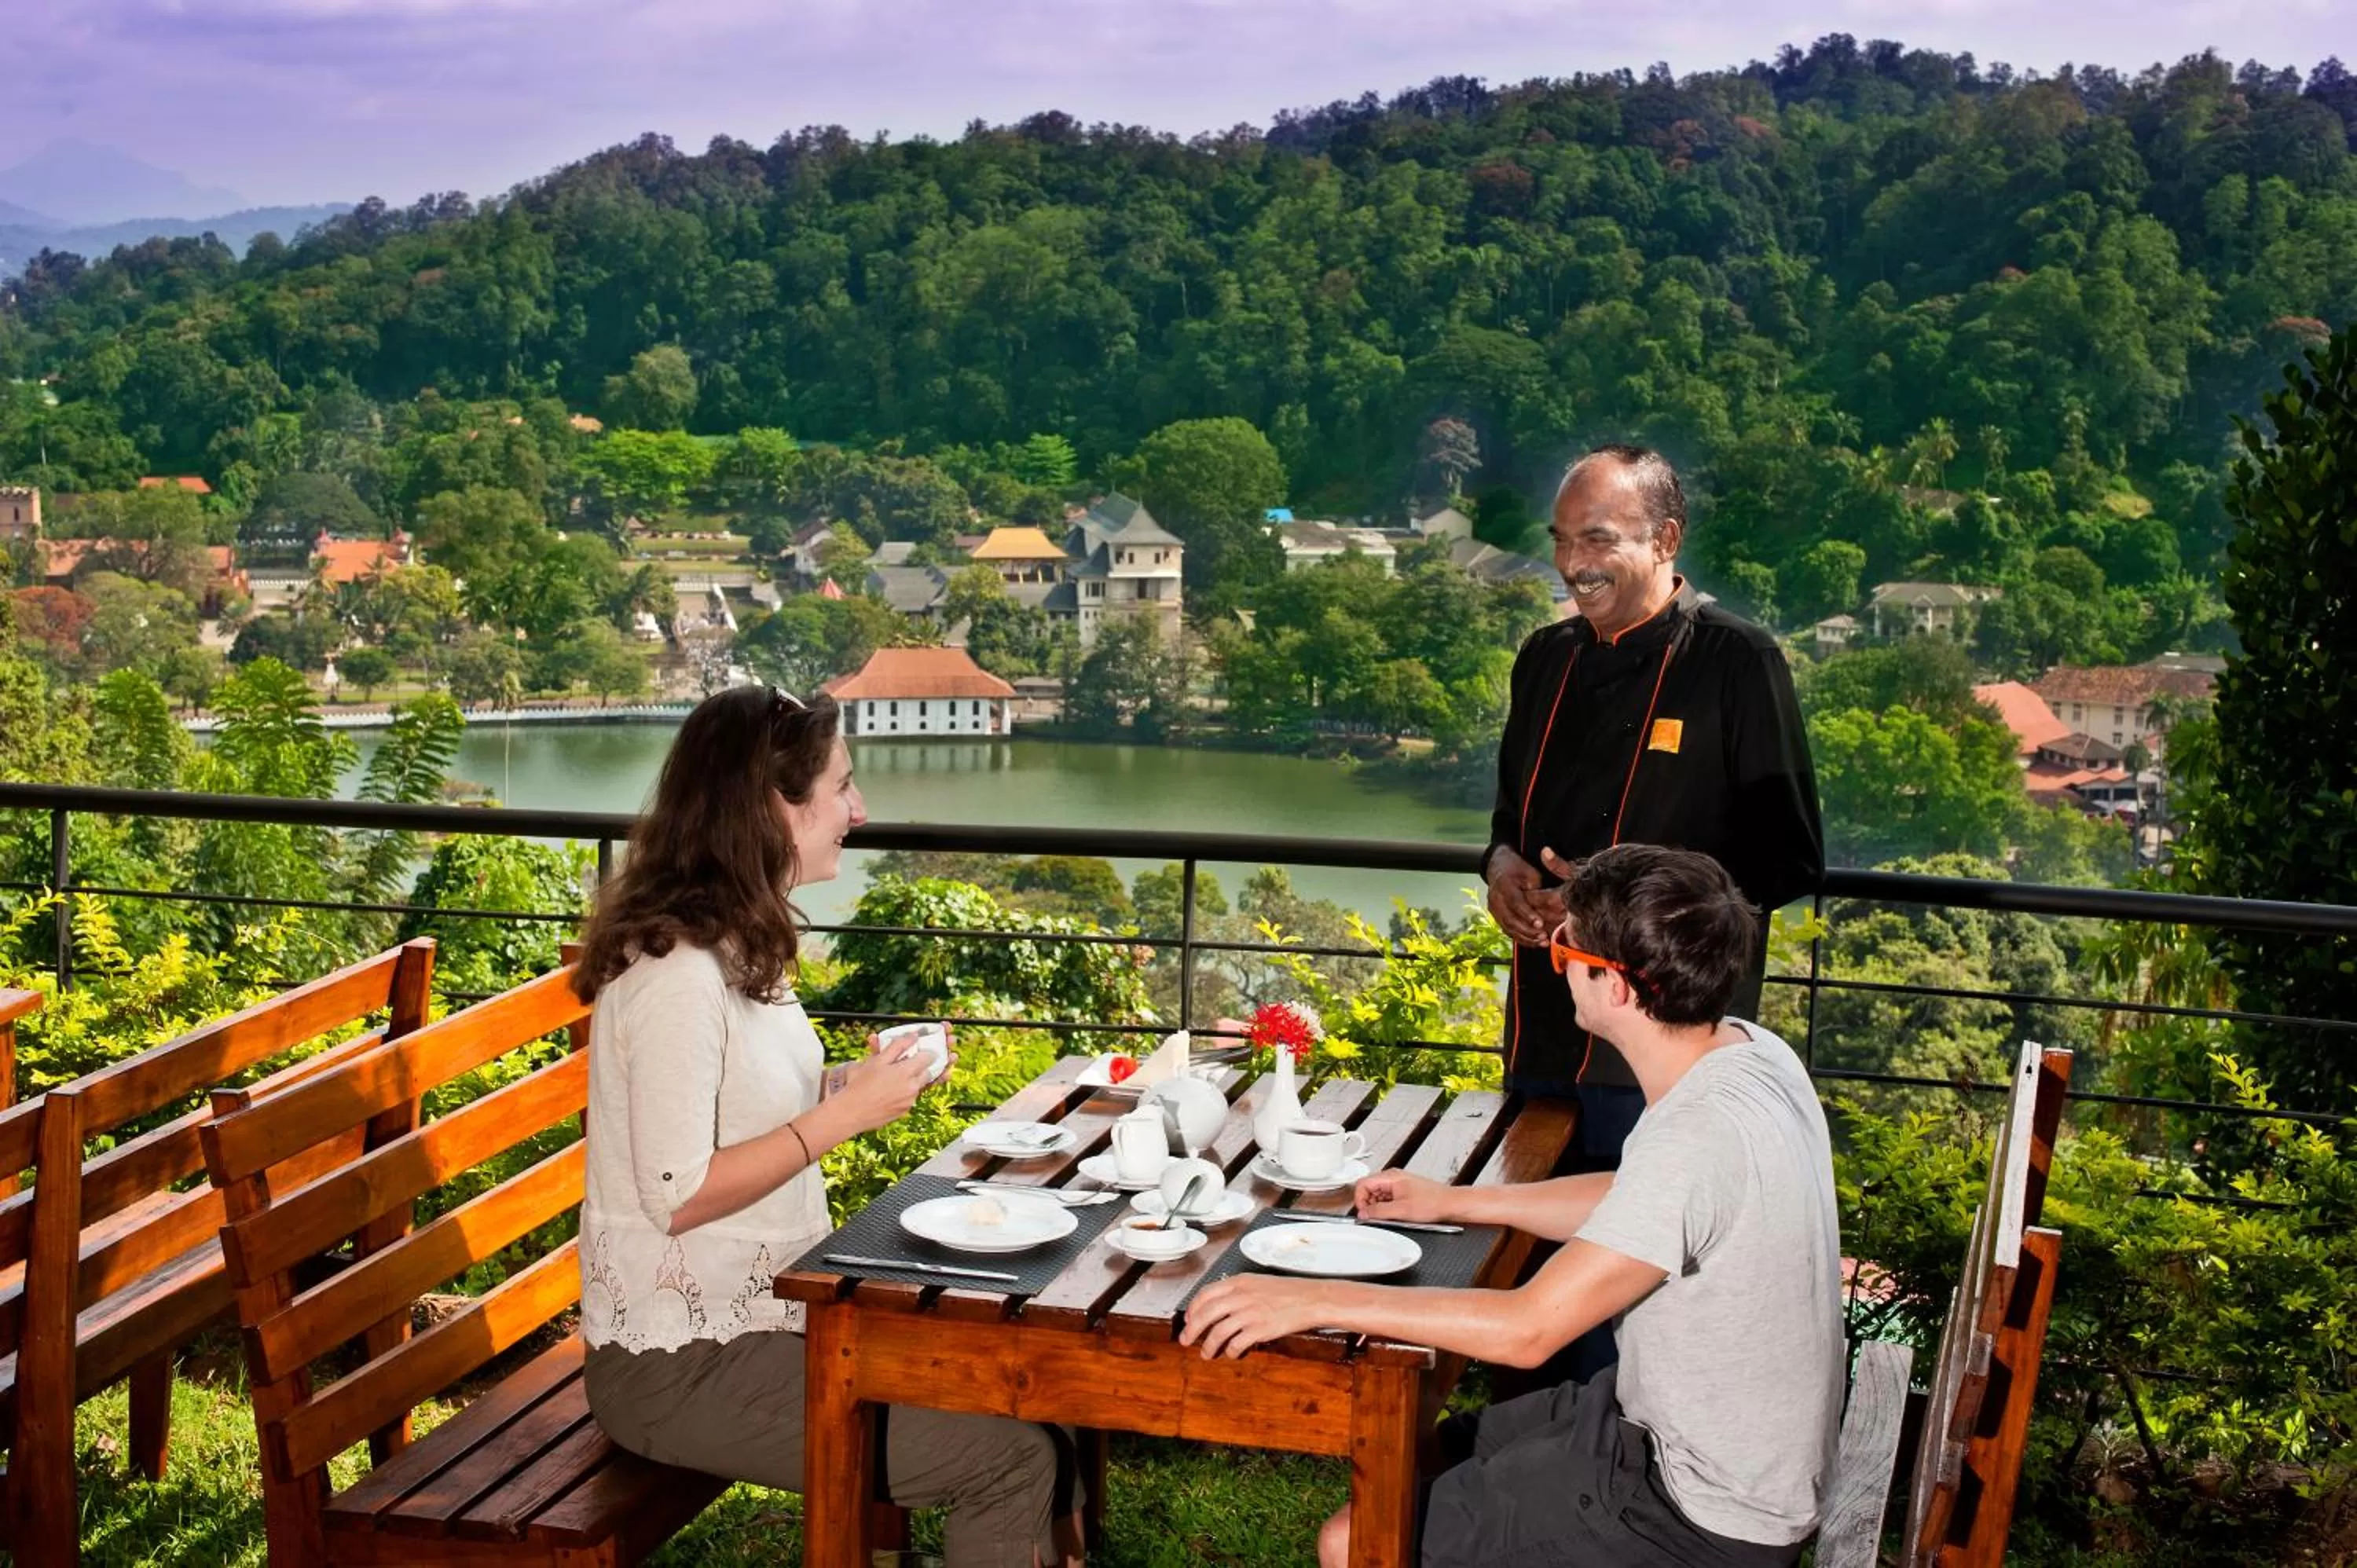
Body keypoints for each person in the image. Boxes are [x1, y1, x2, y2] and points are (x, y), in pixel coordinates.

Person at [1184, 844, 1845, 1568]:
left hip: (1700, 1508)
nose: (1555, 961)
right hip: (1678, 1435)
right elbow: (1639, 1203)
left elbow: (1528, 1330)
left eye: (1566, 949)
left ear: (1618, 988)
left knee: (1350, 1545)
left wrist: (1308, 1301)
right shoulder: (1751, 1053)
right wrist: (1455, 1202)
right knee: (1415, 1445)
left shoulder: (1698, 1133)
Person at [572, 684, 1077, 1567]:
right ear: (773, 806)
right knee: (1004, 1457)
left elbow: (743, 1100)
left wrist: (855, 1079)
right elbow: (677, 1194)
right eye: (841, 785)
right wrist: (846, 1114)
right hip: (679, 1364)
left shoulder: (732, 941)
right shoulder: (676, 975)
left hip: (766, 1317)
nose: (860, 808)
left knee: (1023, 1376)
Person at [1484, 444, 1822, 1166]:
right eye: (1564, 541)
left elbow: (1788, 859)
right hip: (1544, 1023)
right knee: (1520, 1231)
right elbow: (1509, 821)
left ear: (1665, 539)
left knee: (1641, 1257)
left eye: (1598, 538)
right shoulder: (1544, 658)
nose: (1575, 563)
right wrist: (1502, 869)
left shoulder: (1738, 662)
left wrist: (1610, 898)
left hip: (1663, 1041)